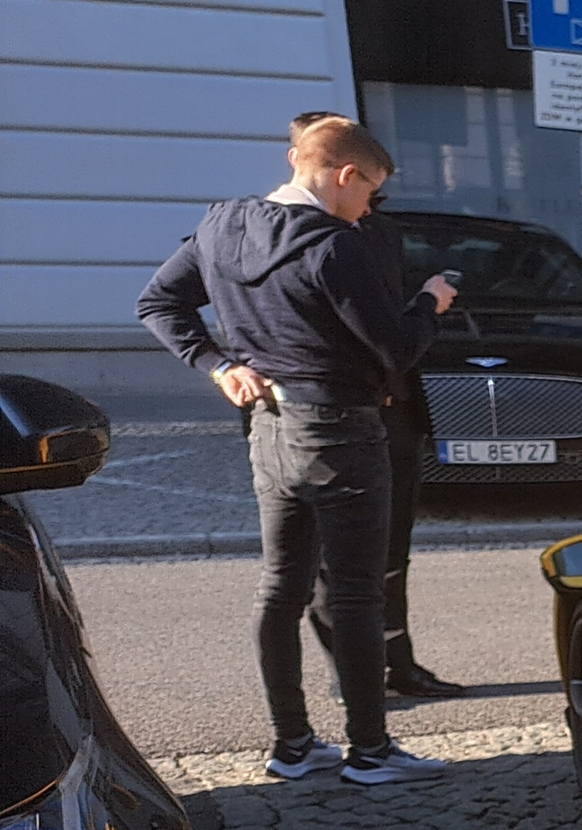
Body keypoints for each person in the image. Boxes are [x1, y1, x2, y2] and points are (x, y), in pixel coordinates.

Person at [137, 116, 458, 784]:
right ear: (345, 175)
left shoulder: (223, 224)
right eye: (369, 191)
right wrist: (430, 302)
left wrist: (218, 364)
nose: (369, 207)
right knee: (356, 595)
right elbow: (396, 347)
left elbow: (159, 301)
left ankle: (292, 746)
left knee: (281, 588)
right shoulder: (334, 247)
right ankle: (369, 752)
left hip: (268, 425)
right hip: (341, 428)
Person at [284, 113, 468, 700]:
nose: (368, 199)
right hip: (325, 414)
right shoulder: (283, 231)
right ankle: (353, 673)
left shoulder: (380, 232)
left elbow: (393, 322)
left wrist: (423, 308)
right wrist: (225, 364)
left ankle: (398, 663)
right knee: (330, 560)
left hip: (394, 411)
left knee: (391, 549)